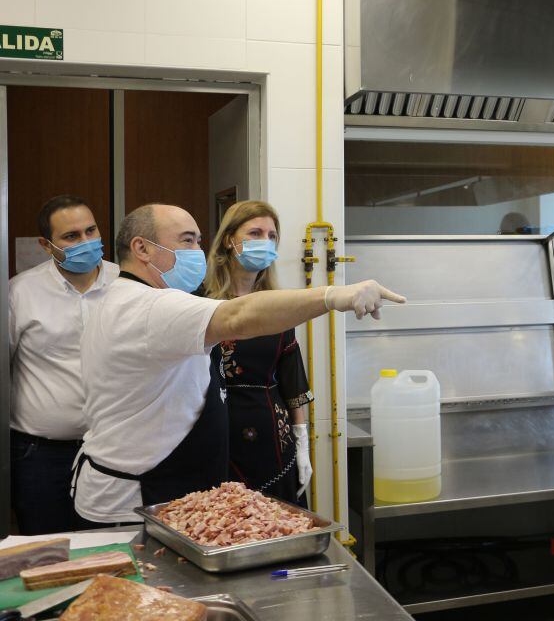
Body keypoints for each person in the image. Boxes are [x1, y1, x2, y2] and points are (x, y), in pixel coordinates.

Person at [73, 203, 405, 524]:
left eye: (199, 241)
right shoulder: (149, 307)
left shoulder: (125, 298)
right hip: (136, 496)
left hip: (173, 477)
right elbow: (239, 315)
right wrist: (334, 296)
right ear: (141, 248)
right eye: (187, 240)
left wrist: (301, 439)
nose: (196, 251)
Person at [8, 196, 119, 533]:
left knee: (113, 552)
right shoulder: (19, 293)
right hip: (41, 456)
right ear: (46, 245)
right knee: (47, 554)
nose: (86, 242)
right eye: (71, 236)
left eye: (91, 230)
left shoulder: (124, 284)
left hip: (112, 451)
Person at [203, 201, 313, 503]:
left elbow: (293, 381)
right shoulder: (201, 303)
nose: (265, 241)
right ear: (229, 239)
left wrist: (302, 443)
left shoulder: (278, 306)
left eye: (272, 235)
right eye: (254, 232)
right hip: (217, 435)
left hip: (274, 440)